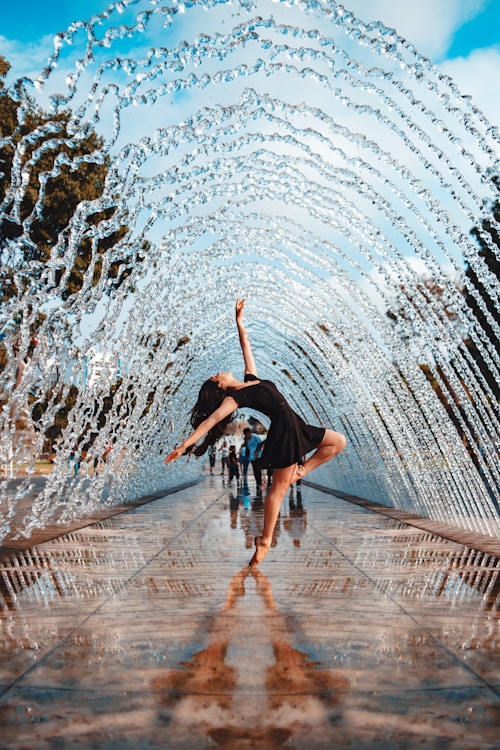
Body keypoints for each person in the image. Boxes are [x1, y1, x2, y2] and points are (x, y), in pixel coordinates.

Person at [165, 298, 346, 567]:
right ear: (221, 387)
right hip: (284, 432)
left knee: (337, 442)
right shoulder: (233, 400)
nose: (220, 372)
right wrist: (184, 445)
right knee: (279, 489)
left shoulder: (251, 378)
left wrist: (239, 321)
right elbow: (210, 421)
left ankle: (301, 471)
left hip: (297, 424)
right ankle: (264, 541)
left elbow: (246, 346)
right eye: (217, 376)